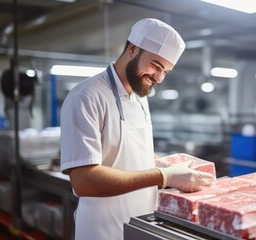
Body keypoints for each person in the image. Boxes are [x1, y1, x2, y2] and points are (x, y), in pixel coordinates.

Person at [60, 18, 214, 240]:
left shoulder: (140, 96)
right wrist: (164, 176)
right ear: (133, 49)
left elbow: (131, 151)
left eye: (166, 72)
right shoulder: (86, 97)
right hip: (102, 230)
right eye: (156, 66)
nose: (159, 78)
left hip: (141, 225)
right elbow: (84, 181)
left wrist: (164, 163)